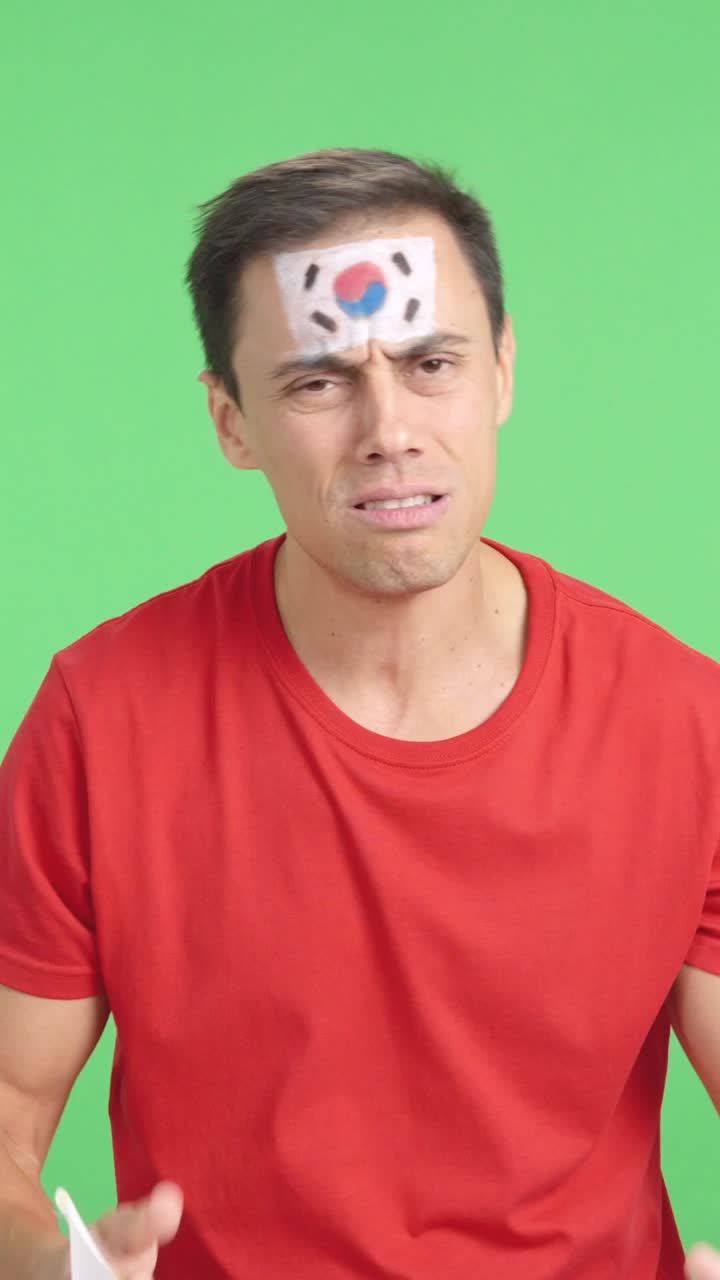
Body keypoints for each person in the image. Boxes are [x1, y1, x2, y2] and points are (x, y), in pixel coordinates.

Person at [1, 147, 720, 1280]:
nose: (390, 427)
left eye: (432, 361)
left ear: (503, 372)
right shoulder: (103, 716)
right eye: (318, 381)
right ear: (232, 420)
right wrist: (43, 1260)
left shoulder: (687, 725)